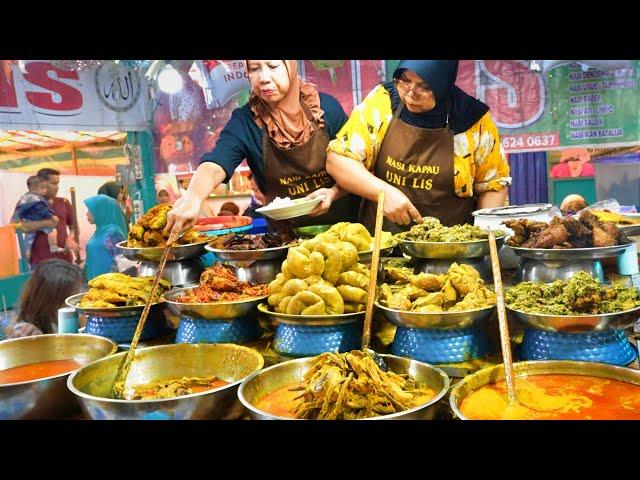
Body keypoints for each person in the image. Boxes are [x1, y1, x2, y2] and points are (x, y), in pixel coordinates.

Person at [166, 60, 356, 238]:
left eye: (273, 66)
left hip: (344, 235)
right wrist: (193, 197)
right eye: (254, 69)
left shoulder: (326, 109)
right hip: (286, 242)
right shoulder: (245, 121)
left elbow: (357, 165)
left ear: (291, 66)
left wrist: (333, 193)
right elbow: (216, 163)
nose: (263, 78)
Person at [326, 60, 512, 232]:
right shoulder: (384, 101)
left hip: (450, 254)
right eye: (405, 81)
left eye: (425, 86)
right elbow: (338, 160)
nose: (411, 93)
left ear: (443, 83)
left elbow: (493, 185)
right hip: (382, 248)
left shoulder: (472, 121)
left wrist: (482, 238)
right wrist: (383, 193)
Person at [3, 259, 85, 338]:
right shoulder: (28, 330)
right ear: (50, 299)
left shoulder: (72, 318)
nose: (79, 302)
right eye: (73, 295)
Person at [18, 168, 81, 266]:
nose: (57, 187)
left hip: (64, 260)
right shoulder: (26, 203)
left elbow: (74, 228)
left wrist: (70, 238)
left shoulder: (64, 202)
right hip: (39, 263)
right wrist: (45, 223)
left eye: (58, 183)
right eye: (54, 183)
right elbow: (14, 226)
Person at [14, 176, 65, 259]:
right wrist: (51, 216)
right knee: (51, 231)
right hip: (34, 221)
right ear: (32, 188)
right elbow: (42, 210)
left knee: (28, 239)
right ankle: (53, 246)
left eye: (45, 188)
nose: (45, 190)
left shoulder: (26, 198)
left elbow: (21, 209)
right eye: (42, 188)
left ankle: (26, 253)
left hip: (29, 221)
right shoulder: (36, 200)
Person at [83, 194, 128, 281]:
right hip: (94, 284)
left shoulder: (112, 233)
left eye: (90, 210)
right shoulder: (99, 231)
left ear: (101, 211)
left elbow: (120, 262)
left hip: (107, 287)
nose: (87, 214)